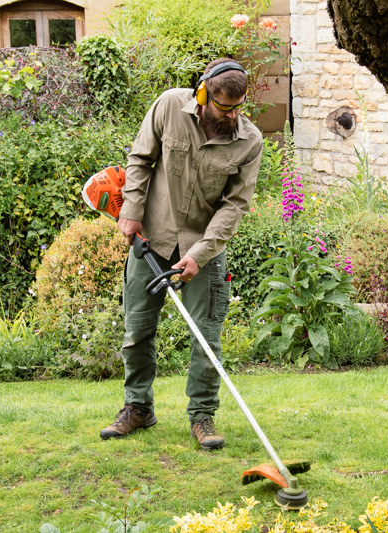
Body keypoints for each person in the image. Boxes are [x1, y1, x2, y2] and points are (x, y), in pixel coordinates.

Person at [99, 58, 263, 450]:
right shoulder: (169, 105)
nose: (232, 114)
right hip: (152, 240)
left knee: (206, 338)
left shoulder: (250, 141)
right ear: (203, 93)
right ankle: (138, 408)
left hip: (204, 249)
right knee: (137, 330)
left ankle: (202, 416)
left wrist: (200, 254)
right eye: (224, 106)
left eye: (238, 106)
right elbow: (141, 160)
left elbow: (235, 206)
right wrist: (131, 212)